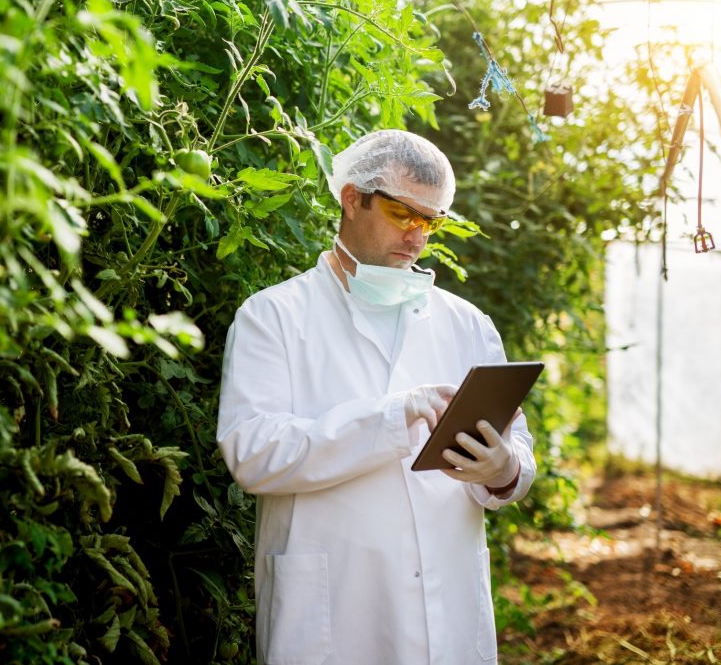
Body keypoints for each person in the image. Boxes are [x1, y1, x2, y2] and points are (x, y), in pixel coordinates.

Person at [215, 129, 536, 664]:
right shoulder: (273, 316)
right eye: (401, 212)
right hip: (333, 614)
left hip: (447, 609)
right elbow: (253, 454)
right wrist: (391, 418)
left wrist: (501, 467)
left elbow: (517, 454)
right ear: (351, 198)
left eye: (430, 221)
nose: (416, 236)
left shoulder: (468, 325)